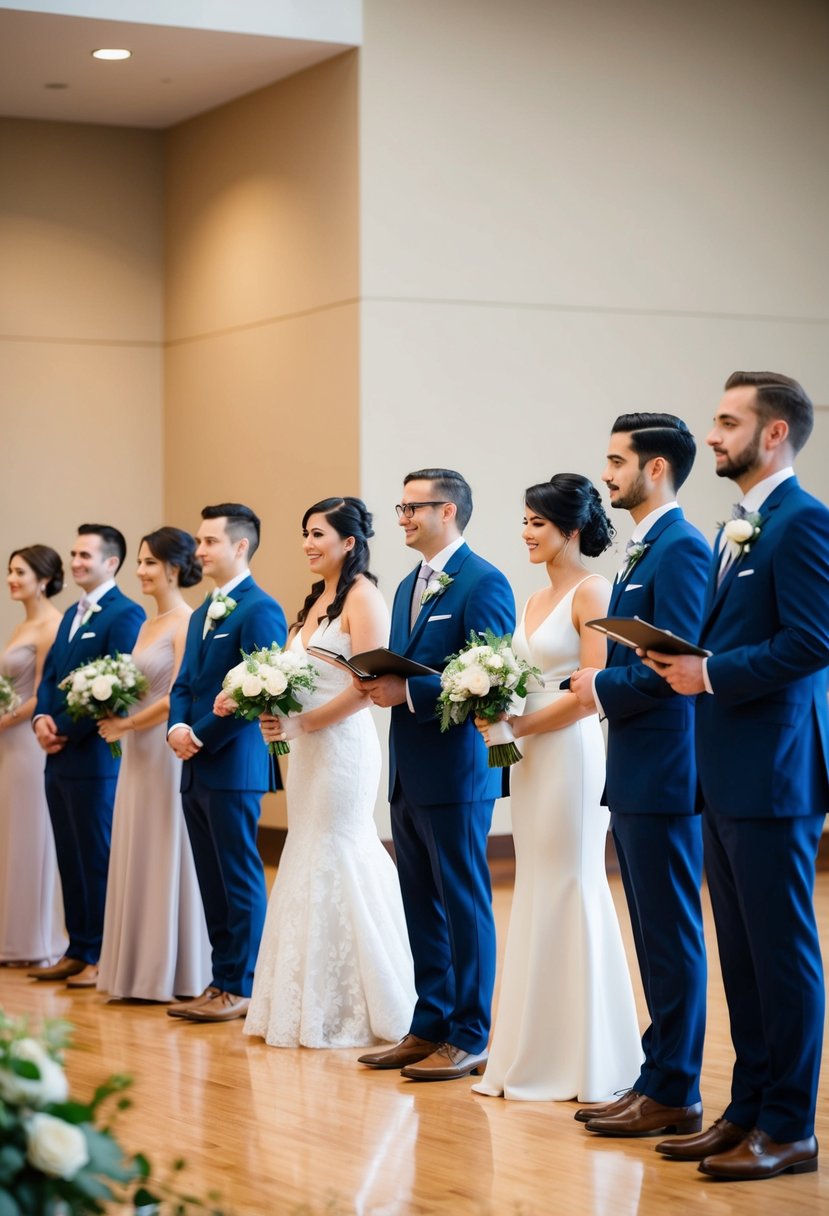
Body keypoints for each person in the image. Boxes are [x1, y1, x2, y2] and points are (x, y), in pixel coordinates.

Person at [642, 372, 829, 1180]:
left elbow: (813, 642)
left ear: (775, 432)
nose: (710, 436)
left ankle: (789, 1126)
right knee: (741, 952)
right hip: (722, 769)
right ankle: (745, 1107)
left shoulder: (803, 523)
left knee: (781, 954)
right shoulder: (739, 526)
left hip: (774, 770)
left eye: (725, 422)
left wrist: (708, 673)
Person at [471, 474, 642, 1102]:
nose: (525, 533)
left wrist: (518, 724)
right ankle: (531, 1050)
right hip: (532, 755)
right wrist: (493, 709)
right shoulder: (529, 600)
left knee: (572, 881)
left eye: (536, 524)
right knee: (537, 887)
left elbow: (590, 694)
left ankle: (590, 1057)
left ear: (570, 530)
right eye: (523, 521)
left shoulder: (593, 591)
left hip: (569, 753)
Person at [224, 497, 415, 1047]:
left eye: (318, 534)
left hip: (343, 746)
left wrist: (306, 724)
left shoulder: (364, 597)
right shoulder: (316, 602)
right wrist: (275, 709)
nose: (308, 544)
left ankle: (365, 999)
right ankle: (305, 999)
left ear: (349, 542)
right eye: (304, 534)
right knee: (306, 849)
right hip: (307, 748)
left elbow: (368, 687)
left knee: (339, 847)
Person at [569, 413, 711, 1137]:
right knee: (652, 932)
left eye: (617, 460)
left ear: (654, 469)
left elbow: (676, 670)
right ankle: (657, 1077)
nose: (607, 473)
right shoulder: (641, 549)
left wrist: (596, 691)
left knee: (670, 931)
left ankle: (676, 1089)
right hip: (636, 762)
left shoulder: (681, 549)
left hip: (665, 765)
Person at [357, 468, 515, 1081]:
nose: (400, 517)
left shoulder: (485, 581)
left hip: (456, 768)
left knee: (464, 901)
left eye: (410, 507)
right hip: (410, 770)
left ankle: (472, 1035)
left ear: (446, 511)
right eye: (399, 507)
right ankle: (430, 1024)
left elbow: (489, 673)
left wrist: (410, 691)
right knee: (419, 900)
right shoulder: (403, 587)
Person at [167, 503, 287, 1023]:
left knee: (237, 876)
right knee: (209, 877)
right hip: (193, 761)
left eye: (208, 541)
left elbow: (262, 688)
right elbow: (185, 684)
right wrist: (176, 727)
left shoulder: (260, 609)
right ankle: (220, 979)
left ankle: (242, 984)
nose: (199, 550)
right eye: (198, 541)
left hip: (233, 761)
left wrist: (201, 734)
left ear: (240, 546)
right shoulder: (200, 613)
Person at [97, 527, 211, 1002]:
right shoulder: (146, 624)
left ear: (172, 567)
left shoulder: (185, 620)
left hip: (161, 748)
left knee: (166, 844)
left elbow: (177, 696)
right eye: (139, 562)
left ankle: (174, 969)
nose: (139, 571)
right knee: (136, 844)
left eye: (147, 562)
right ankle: (135, 968)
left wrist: (128, 725)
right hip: (136, 755)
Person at [31, 525, 146, 988]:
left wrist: (65, 729)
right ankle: (77, 946)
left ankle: (100, 951)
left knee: (95, 856)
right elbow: (50, 674)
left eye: (85, 555)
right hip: (56, 755)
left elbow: (120, 687)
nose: (75, 561)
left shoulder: (125, 614)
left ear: (111, 562)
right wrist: (41, 717)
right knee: (68, 853)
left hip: (95, 757)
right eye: (74, 553)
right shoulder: (70, 615)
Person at [0, 545, 66, 966]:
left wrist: (4, 721)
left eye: (19, 572)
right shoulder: (21, 625)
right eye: (9, 571)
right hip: (7, 740)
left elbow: (43, 692)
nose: (11, 578)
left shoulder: (51, 625)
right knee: (8, 836)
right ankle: (10, 933)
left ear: (43, 579)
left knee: (29, 834)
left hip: (25, 742)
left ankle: (33, 939)